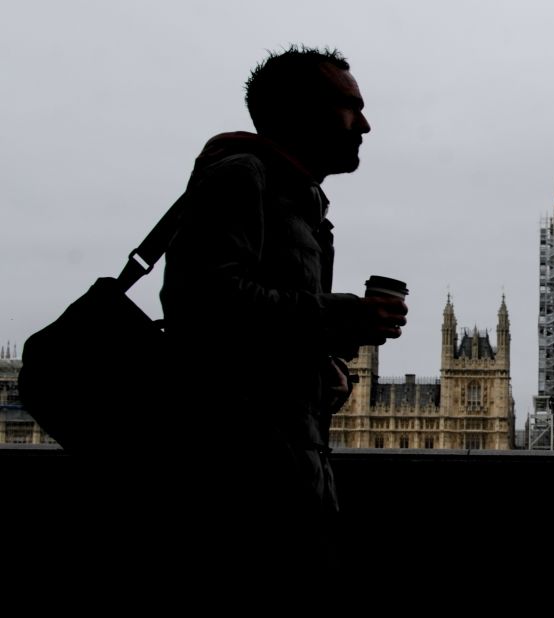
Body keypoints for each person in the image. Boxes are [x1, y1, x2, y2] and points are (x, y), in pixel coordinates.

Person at [156, 46, 407, 578]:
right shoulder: (241, 177)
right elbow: (202, 304)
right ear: (300, 112)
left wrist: (324, 365)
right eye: (349, 106)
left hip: (285, 467)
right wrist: (339, 316)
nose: (364, 124)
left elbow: (259, 336)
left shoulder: (299, 199)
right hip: (235, 480)